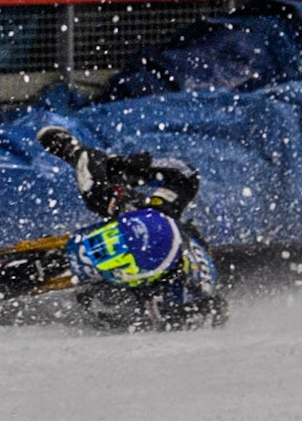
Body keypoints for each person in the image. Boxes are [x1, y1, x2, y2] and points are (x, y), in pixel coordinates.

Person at [34, 127, 225, 331]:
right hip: (158, 222)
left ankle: (112, 272)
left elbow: (215, 311)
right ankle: (76, 151)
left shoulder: (187, 297)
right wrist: (134, 167)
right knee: (101, 192)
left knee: (120, 309)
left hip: (153, 266)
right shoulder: (195, 279)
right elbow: (186, 174)